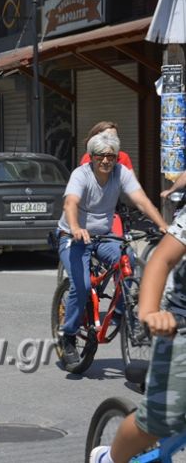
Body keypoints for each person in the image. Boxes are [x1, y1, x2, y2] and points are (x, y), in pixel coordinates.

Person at [56, 131, 168, 369]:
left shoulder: (121, 173)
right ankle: (68, 335)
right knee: (82, 285)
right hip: (73, 237)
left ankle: (120, 313)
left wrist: (163, 226)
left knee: (129, 260)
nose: (106, 161)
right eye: (101, 156)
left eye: (111, 156)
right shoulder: (81, 174)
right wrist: (75, 227)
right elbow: (71, 203)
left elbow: (142, 201)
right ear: (92, 157)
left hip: (104, 237)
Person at [88, 208, 186, 463]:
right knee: (159, 421)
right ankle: (110, 459)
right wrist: (151, 311)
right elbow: (161, 261)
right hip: (180, 327)